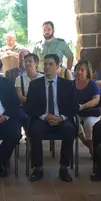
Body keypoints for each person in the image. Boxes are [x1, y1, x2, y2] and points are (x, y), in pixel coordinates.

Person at [25, 54, 78, 182]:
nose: (47, 67)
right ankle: (38, 168)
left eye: (50, 64)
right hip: (42, 118)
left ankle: (64, 167)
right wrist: (45, 116)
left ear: (57, 66)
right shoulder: (35, 84)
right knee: (35, 131)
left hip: (61, 118)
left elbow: (74, 106)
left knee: (70, 130)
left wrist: (61, 117)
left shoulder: (67, 84)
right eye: (45, 64)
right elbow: (30, 106)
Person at [73, 60, 101, 157]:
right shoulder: (71, 84)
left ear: (87, 72)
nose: (79, 72)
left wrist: (83, 106)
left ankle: (92, 147)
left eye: (82, 70)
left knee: (89, 123)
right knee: (73, 122)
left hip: (91, 112)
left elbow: (96, 100)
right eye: (77, 69)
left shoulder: (92, 84)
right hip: (76, 113)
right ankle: (89, 145)